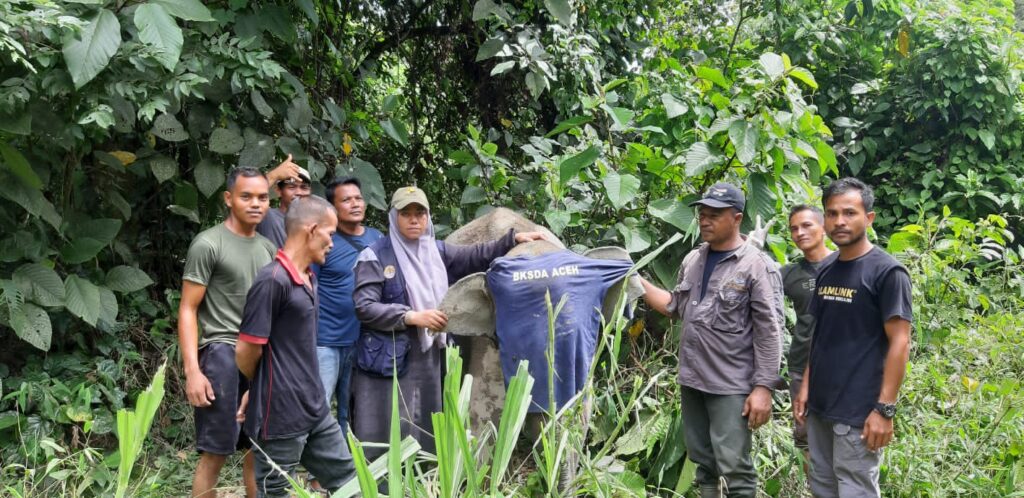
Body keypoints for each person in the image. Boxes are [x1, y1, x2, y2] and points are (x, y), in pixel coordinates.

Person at [350, 186, 544, 458]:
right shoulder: (375, 256)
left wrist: (513, 239)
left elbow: (477, 254)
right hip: (390, 357)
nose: (414, 219)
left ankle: (423, 482)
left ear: (428, 217)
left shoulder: (436, 251)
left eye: (420, 213)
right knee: (390, 425)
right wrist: (411, 316)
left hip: (430, 352)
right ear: (394, 217)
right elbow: (365, 307)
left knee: (427, 424)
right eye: (406, 213)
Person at [639, 182, 783, 498]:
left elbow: (769, 331)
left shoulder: (756, 266)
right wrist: (634, 278)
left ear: (736, 217)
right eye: (702, 214)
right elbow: (674, 307)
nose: (705, 220)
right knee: (704, 463)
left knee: (735, 468)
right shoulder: (693, 260)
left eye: (714, 215)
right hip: (693, 380)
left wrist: (763, 388)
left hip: (730, 384)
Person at [793, 178, 912, 498]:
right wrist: (805, 385)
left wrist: (885, 409)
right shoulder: (828, 268)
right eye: (832, 214)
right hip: (820, 407)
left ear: (868, 219)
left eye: (849, 213)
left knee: (855, 489)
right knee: (822, 487)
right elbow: (821, 331)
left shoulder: (887, 272)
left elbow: (900, 342)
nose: (839, 221)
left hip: (859, 411)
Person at [235, 196, 356, 497]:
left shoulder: (308, 278)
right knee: (275, 491)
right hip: (282, 415)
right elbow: (246, 350)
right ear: (312, 230)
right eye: (330, 233)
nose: (332, 242)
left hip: (314, 407)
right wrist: (262, 386)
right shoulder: (273, 281)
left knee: (351, 483)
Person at [177, 167, 276, 498]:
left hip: (260, 355)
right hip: (220, 354)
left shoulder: (268, 249)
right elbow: (188, 308)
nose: (255, 204)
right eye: (246, 196)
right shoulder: (208, 243)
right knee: (215, 453)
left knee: (257, 451)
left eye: (262, 197)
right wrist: (193, 371)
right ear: (229, 198)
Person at [313, 177, 384, 434]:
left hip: (366, 341)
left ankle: (347, 468)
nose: (355, 204)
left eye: (358, 198)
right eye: (346, 200)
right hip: (327, 341)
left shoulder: (378, 238)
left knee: (352, 410)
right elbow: (310, 288)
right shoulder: (325, 240)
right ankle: (313, 471)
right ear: (332, 208)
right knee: (318, 406)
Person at [780, 204, 833, 467]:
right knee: (805, 436)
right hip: (801, 365)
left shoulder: (844, 264)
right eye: (794, 229)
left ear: (824, 227)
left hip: (839, 366)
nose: (799, 233)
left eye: (807, 225)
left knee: (841, 434)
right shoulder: (789, 274)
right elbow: (754, 287)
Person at [256, 154, 312, 248]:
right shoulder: (267, 216)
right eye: (291, 187)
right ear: (278, 191)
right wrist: (274, 175)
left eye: (304, 188)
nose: (298, 192)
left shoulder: (314, 224)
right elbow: (247, 197)